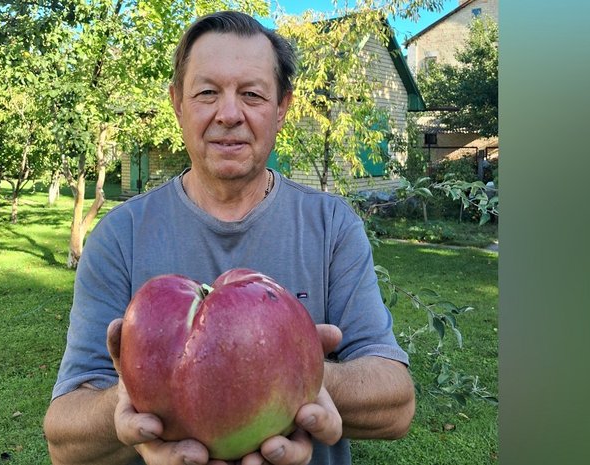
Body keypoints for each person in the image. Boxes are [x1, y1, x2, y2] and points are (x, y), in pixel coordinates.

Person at [43, 10, 415, 465]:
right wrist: (134, 397)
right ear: (178, 103)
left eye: (252, 94)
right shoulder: (120, 237)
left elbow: (396, 403)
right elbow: (63, 438)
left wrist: (289, 370)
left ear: (282, 109)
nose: (229, 114)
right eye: (207, 93)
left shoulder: (331, 225)